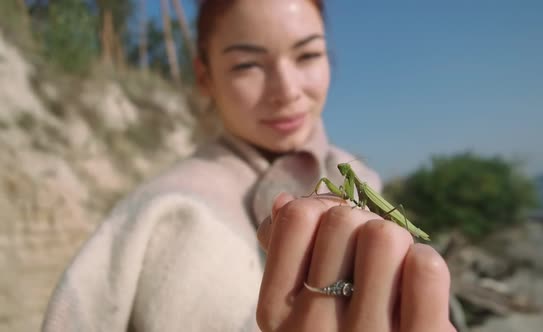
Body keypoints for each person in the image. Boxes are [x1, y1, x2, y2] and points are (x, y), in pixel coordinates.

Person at [42, 0, 456, 331]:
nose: (287, 91)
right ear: (204, 77)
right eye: (248, 64)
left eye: (308, 54)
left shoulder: (361, 175)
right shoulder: (159, 213)